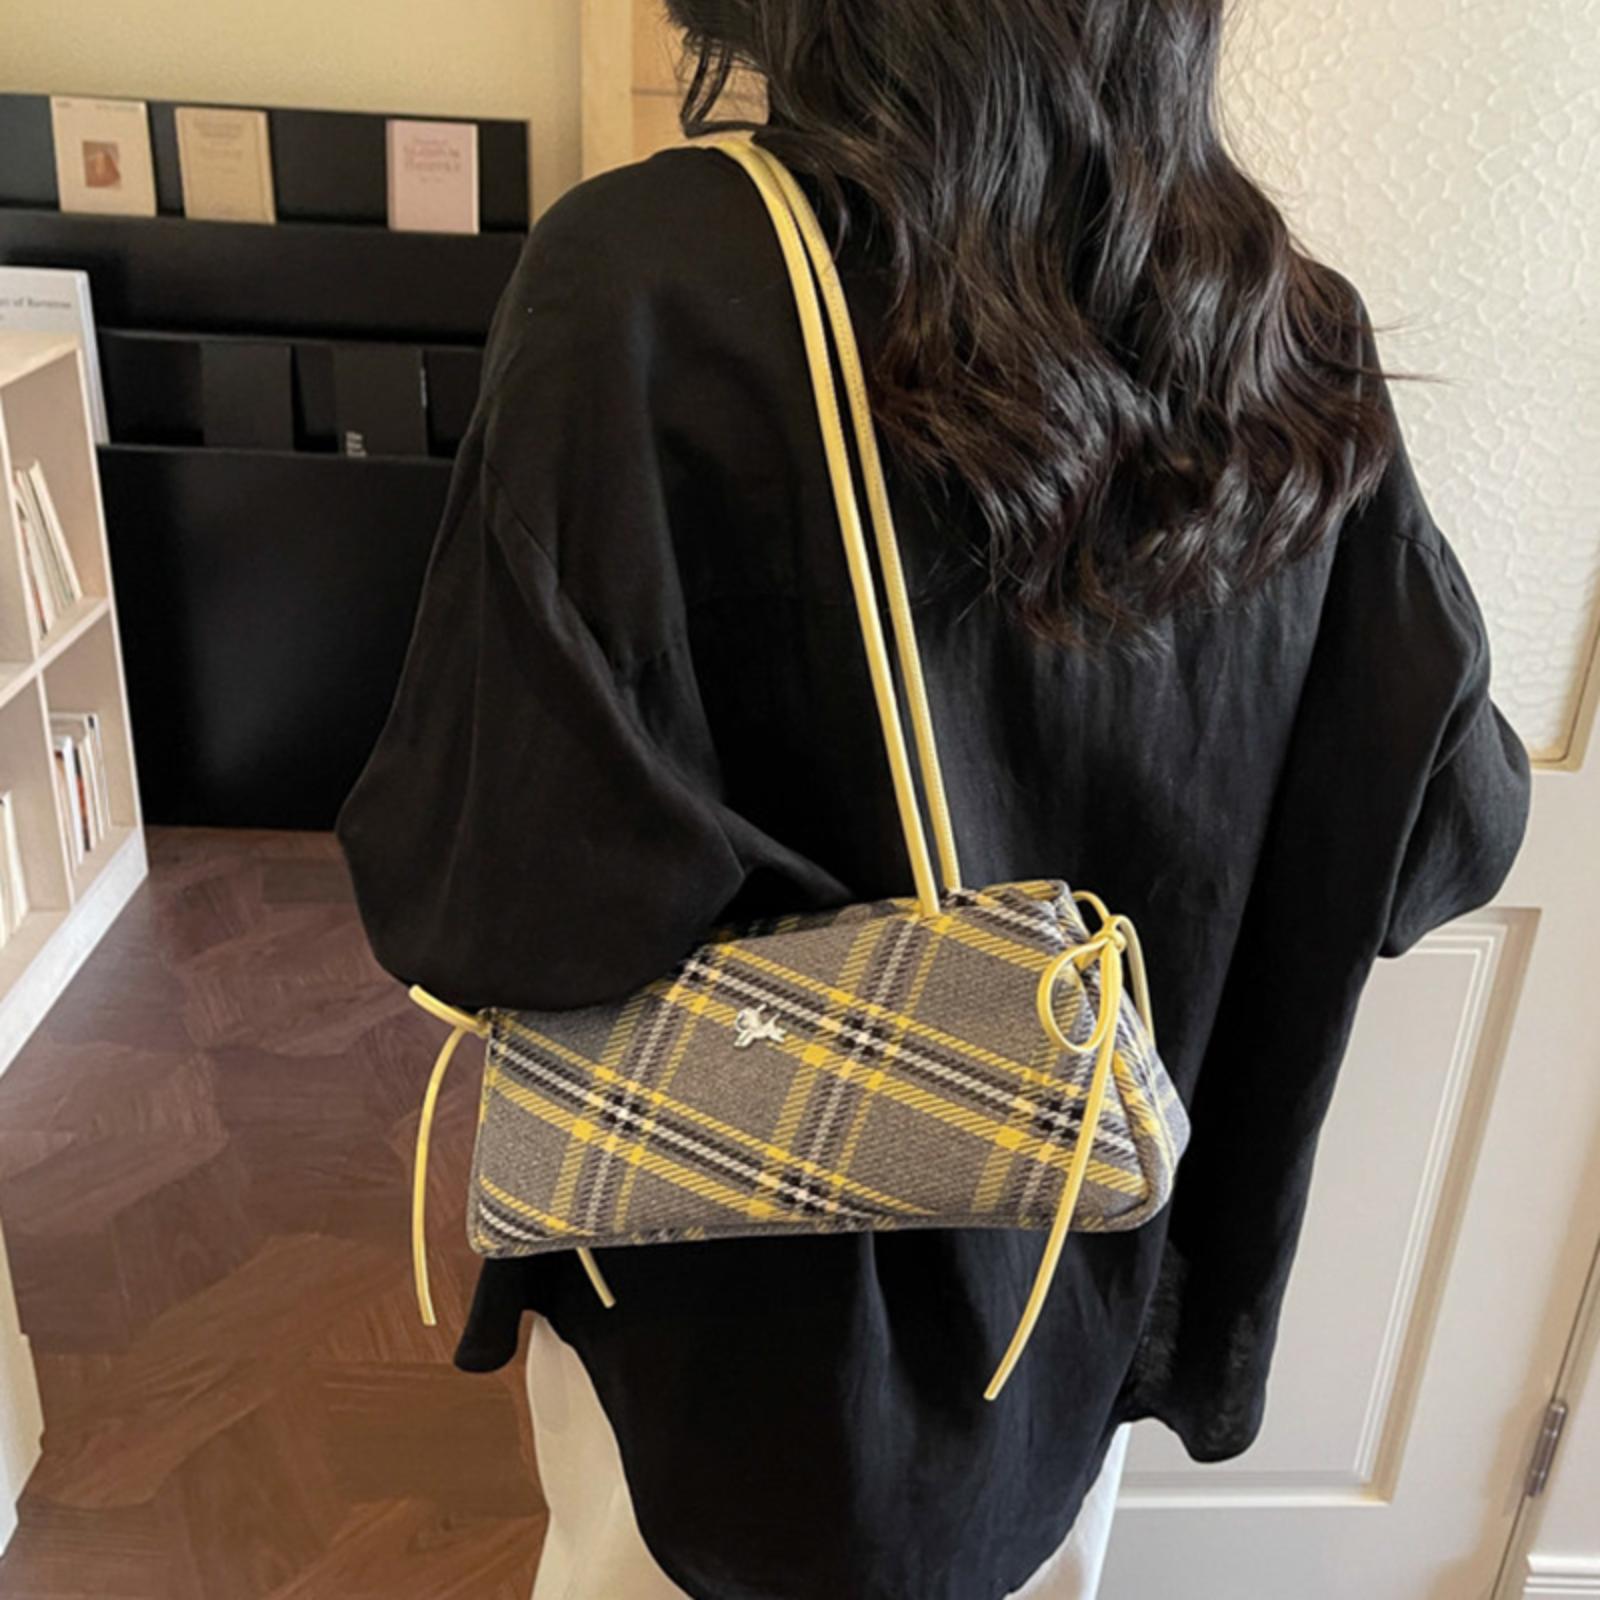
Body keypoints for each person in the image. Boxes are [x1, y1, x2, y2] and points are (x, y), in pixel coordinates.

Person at [334, 2, 1532, 1595]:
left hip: (735, 1307)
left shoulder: (646, 281)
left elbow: (495, 896)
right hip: (1069, 1289)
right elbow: (1449, 831)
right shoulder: (1282, 333)